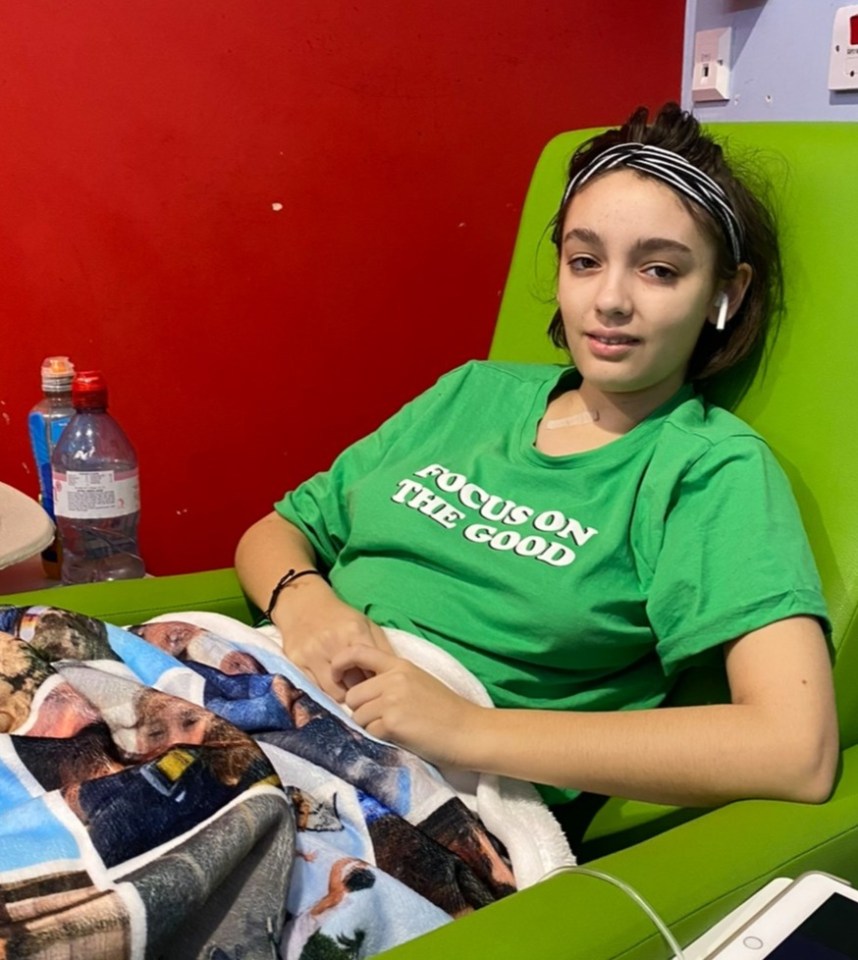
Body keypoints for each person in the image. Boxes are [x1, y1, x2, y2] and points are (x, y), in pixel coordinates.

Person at [235, 103, 838, 815]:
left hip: (413, 789)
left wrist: (471, 729)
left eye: (659, 270)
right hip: (265, 684)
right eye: (585, 261)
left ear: (725, 293)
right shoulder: (472, 393)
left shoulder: (705, 469)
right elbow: (275, 531)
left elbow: (796, 750)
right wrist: (307, 605)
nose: (609, 300)